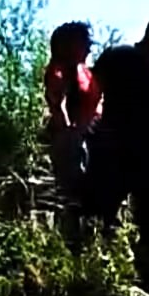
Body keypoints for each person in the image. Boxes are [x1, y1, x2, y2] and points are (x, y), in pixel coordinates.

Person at [83, 15, 149, 291]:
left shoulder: (114, 57)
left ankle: (95, 277)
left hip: (111, 149)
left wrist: (85, 128)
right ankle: (148, 285)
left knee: (101, 214)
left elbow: (92, 94)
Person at [43, 21, 102, 200]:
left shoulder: (85, 71)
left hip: (93, 137)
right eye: (85, 43)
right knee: (74, 193)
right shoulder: (58, 72)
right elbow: (58, 105)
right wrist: (72, 136)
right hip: (74, 142)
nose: (89, 48)